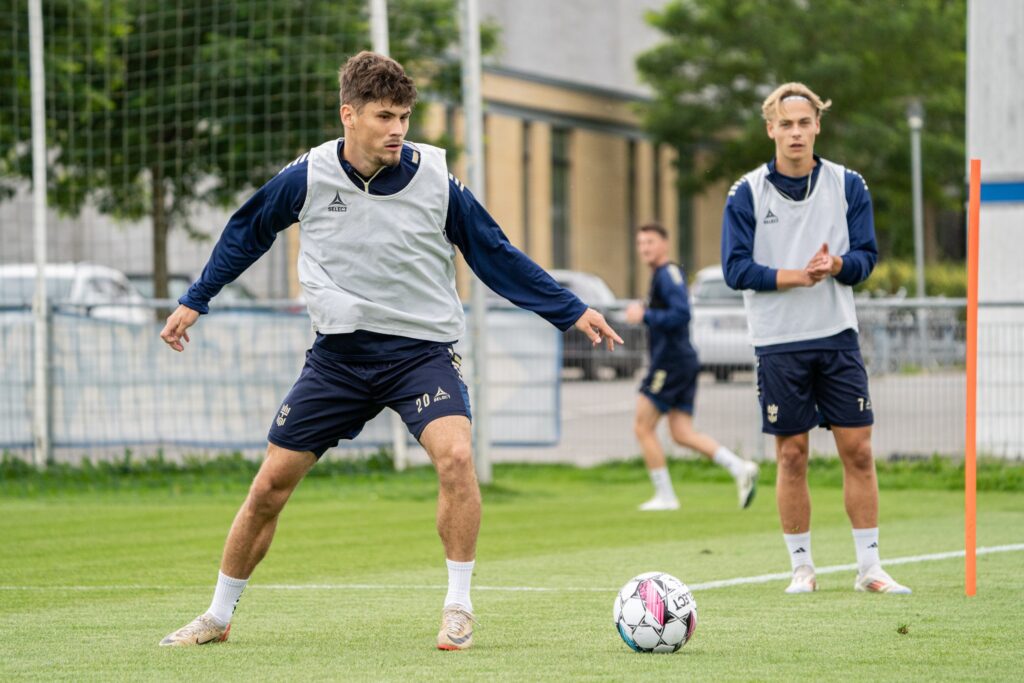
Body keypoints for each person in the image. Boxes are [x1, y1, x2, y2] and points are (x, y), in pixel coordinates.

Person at [157, 51, 622, 650]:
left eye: (404, 115)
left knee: (455, 458)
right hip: (339, 360)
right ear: (348, 115)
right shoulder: (308, 175)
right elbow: (248, 231)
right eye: (383, 116)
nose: (398, 129)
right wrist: (197, 298)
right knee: (270, 486)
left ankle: (458, 606)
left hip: (421, 353)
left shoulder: (436, 179)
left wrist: (571, 309)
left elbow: (494, 253)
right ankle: (217, 617)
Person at [721, 82, 910, 595]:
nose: (796, 132)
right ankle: (801, 567)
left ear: (818, 125)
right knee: (792, 456)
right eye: (786, 124)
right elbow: (734, 269)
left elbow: (867, 259)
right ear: (771, 129)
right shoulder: (747, 192)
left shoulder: (848, 184)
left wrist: (838, 265)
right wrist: (795, 276)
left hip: (836, 336)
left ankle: (869, 567)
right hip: (779, 342)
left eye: (805, 122)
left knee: (859, 450)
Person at [625, 224, 759, 512]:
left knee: (642, 426)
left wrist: (645, 315)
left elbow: (681, 313)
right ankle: (739, 467)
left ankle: (665, 496)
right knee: (682, 433)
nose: (644, 248)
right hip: (682, 361)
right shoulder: (663, 275)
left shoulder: (667, 274)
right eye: (640, 243)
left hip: (670, 363)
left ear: (665, 244)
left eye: (650, 242)